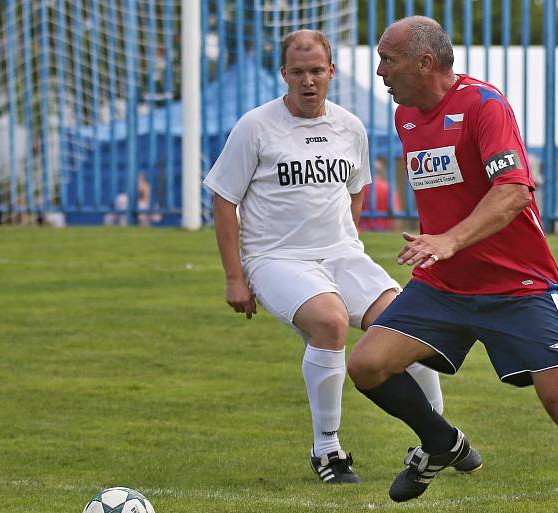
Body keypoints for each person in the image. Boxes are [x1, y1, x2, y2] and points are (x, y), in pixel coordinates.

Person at [347, 16, 558, 513]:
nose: (380, 69)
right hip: (444, 285)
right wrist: (445, 248)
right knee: (367, 365)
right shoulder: (406, 115)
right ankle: (441, 443)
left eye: (388, 58)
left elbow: (514, 192)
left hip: (516, 286)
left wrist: (449, 239)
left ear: (424, 62)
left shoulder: (484, 105)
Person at [203, 29, 482, 484]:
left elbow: (356, 192)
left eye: (316, 71)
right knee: (331, 322)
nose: (308, 81)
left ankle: (434, 437)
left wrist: (344, 242)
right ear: (284, 75)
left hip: (340, 254)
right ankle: (327, 450)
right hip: (277, 259)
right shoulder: (256, 126)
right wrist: (235, 277)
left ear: (331, 72)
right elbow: (223, 200)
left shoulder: (349, 126)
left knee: (407, 327)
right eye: (298, 72)